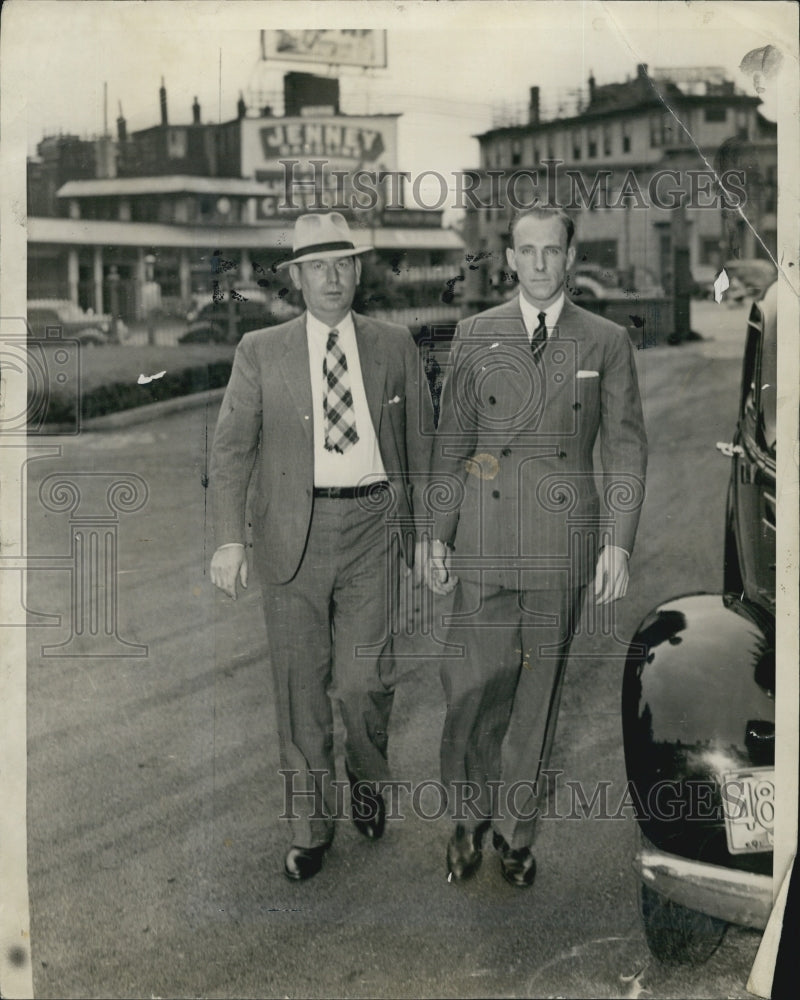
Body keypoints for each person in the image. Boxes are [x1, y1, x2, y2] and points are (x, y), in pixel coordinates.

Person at [424, 205, 647, 888]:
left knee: (537, 700)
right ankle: (467, 818)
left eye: (554, 249)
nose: (542, 263)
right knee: (472, 690)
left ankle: (516, 836)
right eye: (529, 250)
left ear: (570, 255)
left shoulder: (606, 340)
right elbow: (451, 446)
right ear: (510, 259)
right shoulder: (475, 334)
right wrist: (435, 534)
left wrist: (618, 542)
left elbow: (628, 445)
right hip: (485, 540)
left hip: (562, 544)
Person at [209, 212, 433, 881]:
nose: (332, 279)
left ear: (358, 271)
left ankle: (367, 779)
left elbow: (423, 448)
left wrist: (427, 539)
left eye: (343, 264)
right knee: (299, 692)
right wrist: (227, 538)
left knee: (365, 683)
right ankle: (311, 828)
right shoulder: (260, 351)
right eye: (318, 267)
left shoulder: (395, 345)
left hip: (371, 529)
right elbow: (230, 449)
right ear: (297, 279)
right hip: (288, 538)